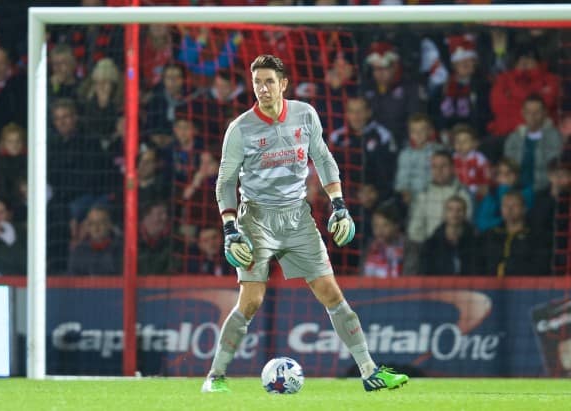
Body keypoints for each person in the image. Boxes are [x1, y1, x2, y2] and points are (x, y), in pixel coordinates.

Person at [201, 55, 408, 393]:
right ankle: (215, 377)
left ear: (283, 84)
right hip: (257, 219)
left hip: (298, 216)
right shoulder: (239, 128)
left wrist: (338, 205)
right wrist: (229, 227)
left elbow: (323, 158)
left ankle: (370, 372)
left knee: (331, 292)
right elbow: (225, 182)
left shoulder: (305, 115)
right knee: (250, 300)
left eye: (269, 81)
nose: (263, 88)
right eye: (257, 83)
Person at [503, 94, 563, 192]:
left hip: (544, 189)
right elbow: (509, 165)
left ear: (545, 113)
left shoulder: (554, 137)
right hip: (517, 189)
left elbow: (553, 165)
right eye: (528, 112)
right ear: (523, 113)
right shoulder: (514, 138)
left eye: (537, 112)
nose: (532, 116)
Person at [419, 195, 477, 276]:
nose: (455, 214)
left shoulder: (476, 243)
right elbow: (424, 273)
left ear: (465, 213)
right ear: (444, 213)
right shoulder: (431, 245)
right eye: (450, 209)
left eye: (459, 210)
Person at [67, 205, 122, 276]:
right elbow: (73, 279)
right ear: (88, 226)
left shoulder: (119, 250)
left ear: (109, 225)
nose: (96, 227)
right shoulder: (79, 251)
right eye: (92, 223)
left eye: (101, 222)